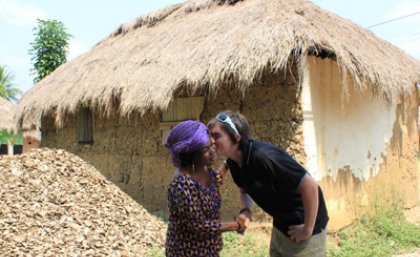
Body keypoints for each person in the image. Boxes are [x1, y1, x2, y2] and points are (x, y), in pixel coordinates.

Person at [208, 111, 329, 257]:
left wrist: (307, 229)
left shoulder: (264, 157)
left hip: (305, 224)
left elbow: (310, 186)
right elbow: (244, 190)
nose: (211, 140)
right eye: (210, 136)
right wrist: (246, 209)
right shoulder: (233, 162)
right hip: (281, 223)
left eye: (216, 136)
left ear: (236, 137)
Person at [164, 120, 246, 257]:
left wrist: (226, 166)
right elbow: (199, 226)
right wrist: (236, 225)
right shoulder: (182, 185)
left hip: (210, 249)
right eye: (205, 150)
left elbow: (208, 190)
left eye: (211, 145)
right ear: (191, 156)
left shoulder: (207, 171)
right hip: (187, 251)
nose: (213, 151)